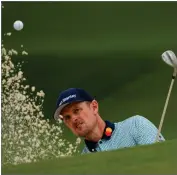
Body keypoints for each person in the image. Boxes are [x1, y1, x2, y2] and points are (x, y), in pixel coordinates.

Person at [54, 88, 165, 153]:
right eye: (67, 117)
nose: (73, 119)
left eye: (77, 110)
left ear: (94, 107)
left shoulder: (136, 125)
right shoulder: (83, 161)